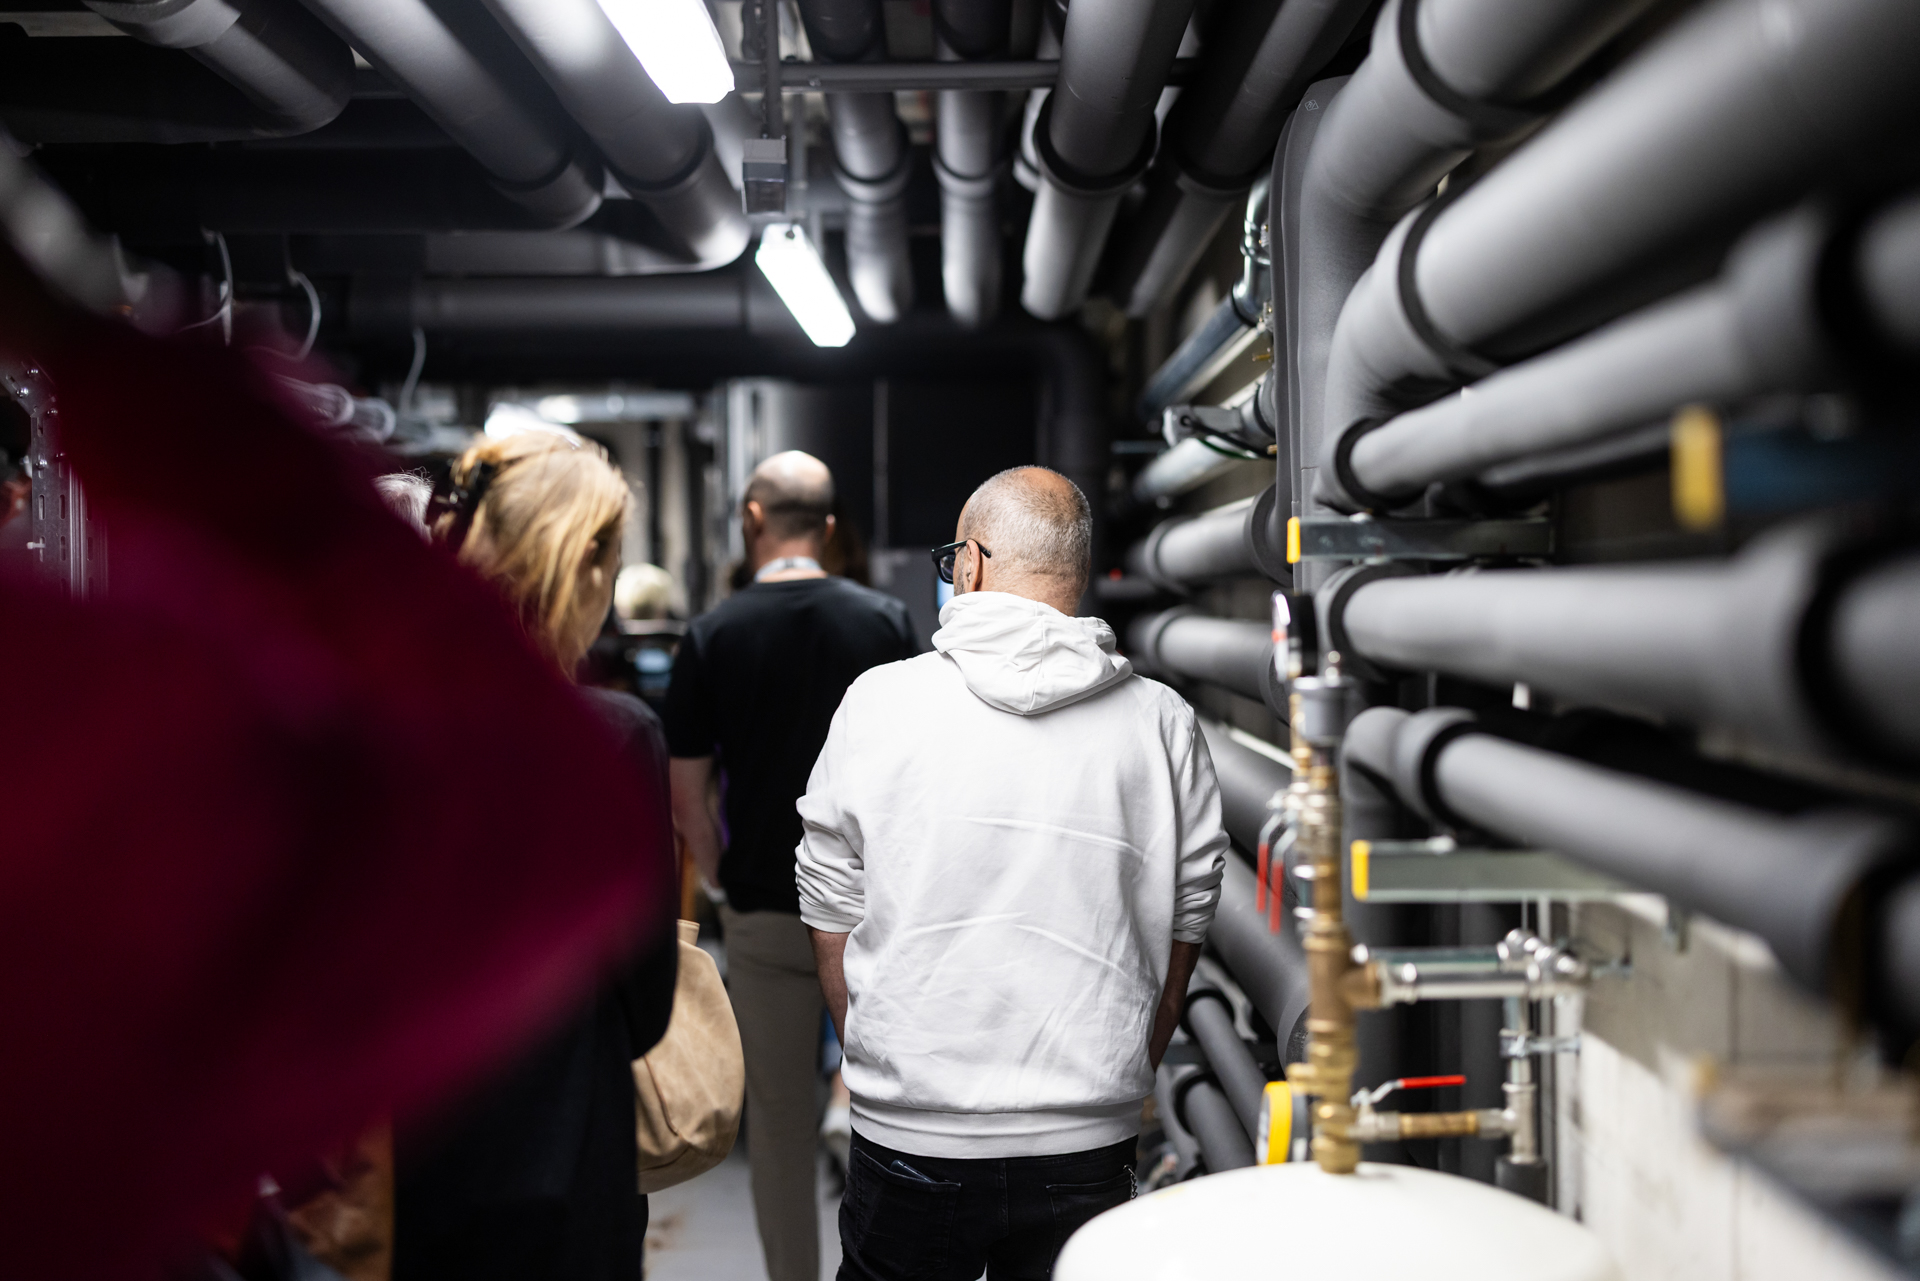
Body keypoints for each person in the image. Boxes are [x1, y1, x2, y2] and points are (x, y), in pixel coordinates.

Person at [795, 467, 1227, 1281]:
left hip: (911, 1130)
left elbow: (829, 896)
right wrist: (1129, 1058)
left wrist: (881, 1055)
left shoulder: (878, 703)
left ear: (971, 565)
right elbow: (1189, 909)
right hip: (1088, 1136)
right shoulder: (1162, 723)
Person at [396, 431, 680, 1281]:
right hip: (564, 1160)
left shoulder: (375, 728)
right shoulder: (616, 739)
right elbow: (648, 1004)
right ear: (584, 563)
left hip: (413, 1168)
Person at [663, 450, 917, 1281]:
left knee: (776, 1123)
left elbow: (688, 796)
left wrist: (725, 875)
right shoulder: (883, 623)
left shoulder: (708, 636)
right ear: (832, 529)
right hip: (879, 909)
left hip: (770, 908)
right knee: (893, 1105)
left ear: (752, 518)